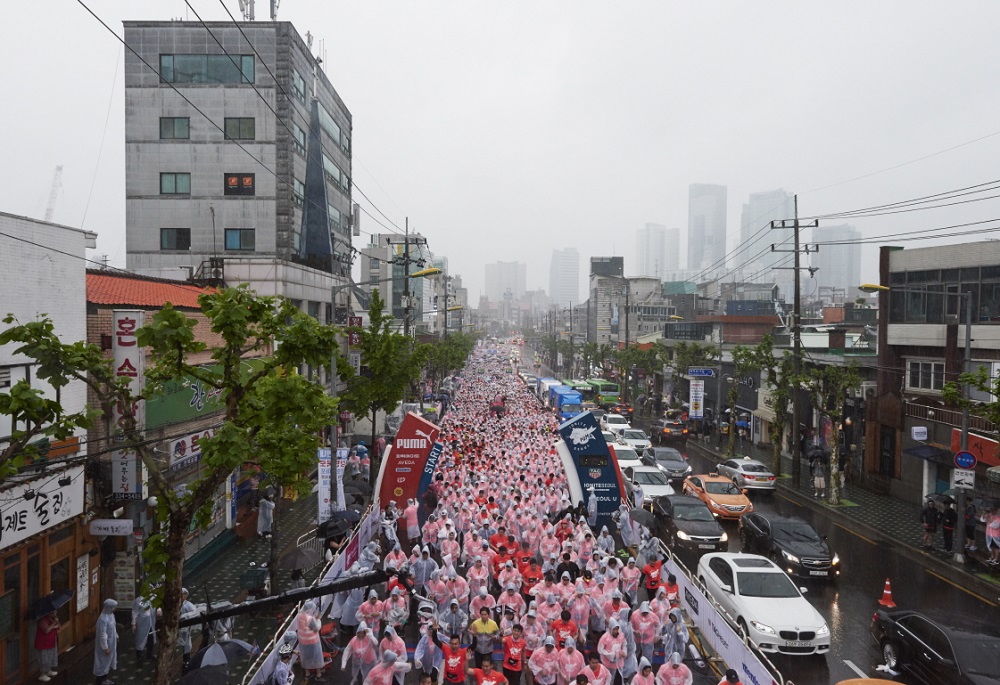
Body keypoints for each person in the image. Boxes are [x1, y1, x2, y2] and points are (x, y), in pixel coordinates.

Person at [296, 600, 324, 680]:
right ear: (310, 609)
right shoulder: (310, 618)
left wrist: (314, 619)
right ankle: (318, 674)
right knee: (316, 657)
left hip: (302, 641)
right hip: (312, 641)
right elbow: (316, 628)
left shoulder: (299, 616)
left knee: (305, 657)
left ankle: (307, 674)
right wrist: (318, 620)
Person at [93, 599, 118, 685]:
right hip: (105, 645)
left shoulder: (111, 615)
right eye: (113, 607)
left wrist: (116, 636)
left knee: (107, 661)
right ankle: (100, 680)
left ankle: (105, 678)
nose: (114, 609)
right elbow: (102, 634)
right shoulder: (103, 619)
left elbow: (113, 627)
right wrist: (105, 647)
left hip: (111, 642)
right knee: (102, 662)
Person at [34, 610, 60, 681]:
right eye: (53, 612)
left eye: (55, 612)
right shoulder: (42, 619)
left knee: (50, 656)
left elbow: (58, 626)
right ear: (49, 612)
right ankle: (42, 675)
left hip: (51, 641)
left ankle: (48, 671)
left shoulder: (52, 618)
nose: (55, 613)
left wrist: (56, 621)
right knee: (44, 658)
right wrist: (54, 624)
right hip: (43, 642)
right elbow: (46, 630)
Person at [131, 596, 155, 666]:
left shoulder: (153, 598)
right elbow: (134, 612)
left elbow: (157, 606)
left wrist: (159, 609)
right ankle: (139, 658)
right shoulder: (138, 600)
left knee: (150, 639)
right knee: (140, 640)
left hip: (150, 623)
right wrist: (133, 623)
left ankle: (149, 655)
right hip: (142, 623)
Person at [178, 588, 197, 672]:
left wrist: (185, 616)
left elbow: (194, 612)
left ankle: (186, 659)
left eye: (183, 594)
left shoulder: (188, 604)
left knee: (187, 644)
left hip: (185, 628)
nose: (182, 596)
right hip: (177, 627)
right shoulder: (176, 604)